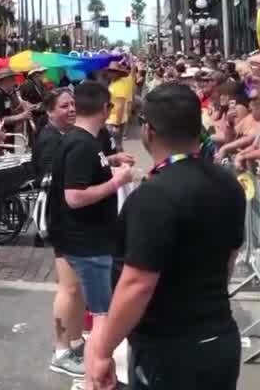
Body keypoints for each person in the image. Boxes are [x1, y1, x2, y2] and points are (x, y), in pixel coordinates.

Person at [85, 84, 246, 390]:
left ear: (148, 130)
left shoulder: (154, 196)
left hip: (169, 349)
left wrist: (102, 349)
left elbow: (137, 284)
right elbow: (228, 260)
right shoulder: (229, 184)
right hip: (218, 338)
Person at [46, 81, 135, 353]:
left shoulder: (82, 140)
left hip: (75, 233)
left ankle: (68, 345)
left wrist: (110, 161)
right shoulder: (81, 143)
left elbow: (84, 172)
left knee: (71, 291)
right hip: (85, 237)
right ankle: (81, 356)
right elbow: (75, 195)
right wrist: (117, 182)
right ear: (105, 109)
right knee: (100, 311)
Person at [34, 89, 87, 378]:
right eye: (64, 106)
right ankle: (62, 350)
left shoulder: (67, 136)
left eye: (73, 105)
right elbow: (49, 178)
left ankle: (75, 341)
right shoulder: (49, 139)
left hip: (72, 221)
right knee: (68, 288)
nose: (71, 109)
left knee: (75, 287)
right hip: (62, 221)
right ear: (50, 111)